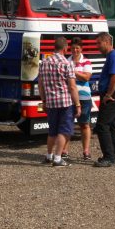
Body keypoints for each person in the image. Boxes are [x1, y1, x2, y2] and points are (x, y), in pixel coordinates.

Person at [36, 36, 80, 167]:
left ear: (54, 47)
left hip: (50, 102)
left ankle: (48, 156)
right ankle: (57, 158)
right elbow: (72, 86)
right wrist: (77, 104)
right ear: (66, 48)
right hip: (65, 102)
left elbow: (40, 84)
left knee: (52, 131)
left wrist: (43, 101)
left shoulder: (44, 63)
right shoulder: (67, 64)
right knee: (64, 131)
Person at [93, 32, 115, 168]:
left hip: (113, 96)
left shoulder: (113, 56)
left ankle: (109, 157)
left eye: (99, 43)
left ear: (106, 42)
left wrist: (108, 95)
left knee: (102, 125)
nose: (97, 47)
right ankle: (113, 156)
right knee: (111, 126)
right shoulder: (114, 56)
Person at [63, 37, 93, 161]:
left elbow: (87, 78)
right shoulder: (66, 61)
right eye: (73, 48)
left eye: (77, 48)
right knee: (67, 124)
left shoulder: (86, 61)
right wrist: (77, 75)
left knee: (84, 124)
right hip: (68, 97)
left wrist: (72, 72)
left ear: (81, 49)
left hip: (84, 97)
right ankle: (64, 150)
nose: (75, 50)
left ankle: (86, 151)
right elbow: (64, 78)